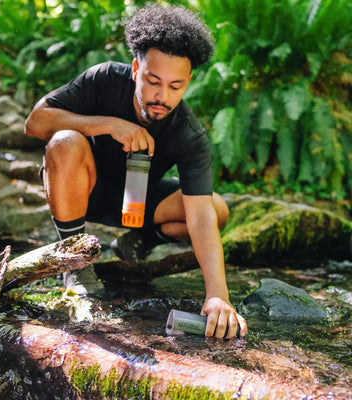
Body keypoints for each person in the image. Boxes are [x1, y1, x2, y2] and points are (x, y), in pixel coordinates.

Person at [25, 3, 247, 339]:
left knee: (216, 208)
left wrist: (218, 296)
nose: (162, 96)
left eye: (175, 86)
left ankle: (137, 242)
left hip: (138, 205)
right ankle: (74, 264)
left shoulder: (189, 132)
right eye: (153, 81)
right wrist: (108, 125)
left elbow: (200, 216)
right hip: (84, 188)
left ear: (189, 81)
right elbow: (35, 123)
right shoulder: (103, 80)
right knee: (65, 141)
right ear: (134, 69)